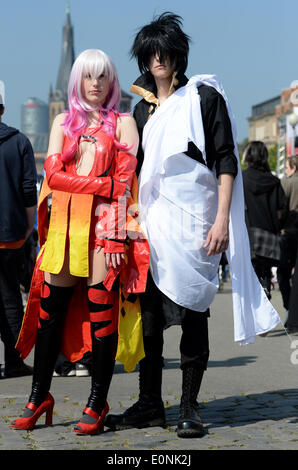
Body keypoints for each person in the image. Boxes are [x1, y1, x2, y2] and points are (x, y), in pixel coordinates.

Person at [105, 13, 281, 438]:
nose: (157, 58)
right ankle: (149, 403)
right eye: (150, 51)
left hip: (196, 222)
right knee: (147, 317)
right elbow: (135, 171)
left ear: (177, 52)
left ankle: (188, 405)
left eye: (164, 50)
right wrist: (125, 221)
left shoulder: (203, 97)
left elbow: (225, 159)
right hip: (151, 225)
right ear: (144, 57)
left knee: (195, 311)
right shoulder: (141, 110)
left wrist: (222, 217)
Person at [11, 49, 148, 435]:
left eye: (102, 76)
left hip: (104, 231)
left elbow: (124, 188)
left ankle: (97, 402)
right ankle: (39, 397)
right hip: (64, 231)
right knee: (47, 319)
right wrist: (101, 183)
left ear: (111, 82)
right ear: (77, 81)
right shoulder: (62, 122)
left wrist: (118, 237)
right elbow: (52, 176)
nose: (95, 84)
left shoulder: (122, 123)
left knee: (103, 320)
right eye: (88, 76)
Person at [0, 80, 37, 379]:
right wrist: (28, 225)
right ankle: (13, 361)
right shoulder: (19, 141)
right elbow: (28, 189)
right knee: (10, 296)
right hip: (10, 234)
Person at [242, 141, 287, 300]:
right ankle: (265, 292)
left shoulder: (242, 179)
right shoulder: (273, 181)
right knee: (265, 273)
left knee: (249, 277)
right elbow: (283, 208)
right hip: (269, 237)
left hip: (247, 235)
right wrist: (277, 226)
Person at [277, 155, 298, 332]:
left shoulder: (287, 183)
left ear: (294, 168)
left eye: (287, 167)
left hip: (288, 233)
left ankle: (289, 308)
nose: (285, 171)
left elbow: (281, 208)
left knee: (283, 274)